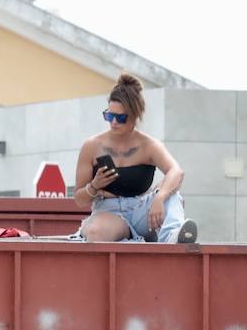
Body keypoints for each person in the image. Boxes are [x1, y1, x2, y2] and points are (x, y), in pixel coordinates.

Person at [75, 74, 196, 244]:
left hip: (142, 211)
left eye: (121, 118)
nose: (114, 122)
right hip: (109, 212)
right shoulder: (92, 146)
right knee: (95, 233)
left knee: (172, 193)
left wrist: (160, 198)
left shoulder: (148, 145)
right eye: (109, 116)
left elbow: (176, 171)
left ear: (135, 115)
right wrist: (94, 185)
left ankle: (170, 237)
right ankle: (136, 240)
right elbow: (79, 200)